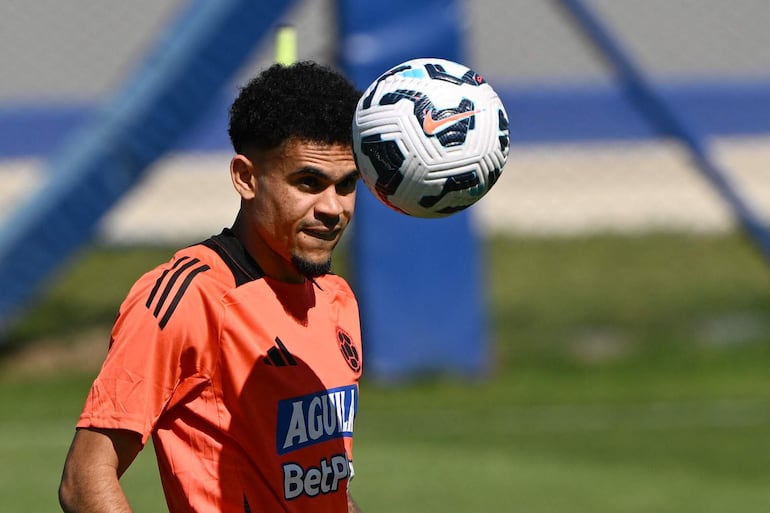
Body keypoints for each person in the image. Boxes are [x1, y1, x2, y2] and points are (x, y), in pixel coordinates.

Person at [59, 61, 365, 513]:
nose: (332, 208)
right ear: (245, 177)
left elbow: (321, 484)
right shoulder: (189, 296)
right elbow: (85, 479)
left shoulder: (336, 299)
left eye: (347, 185)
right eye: (308, 182)